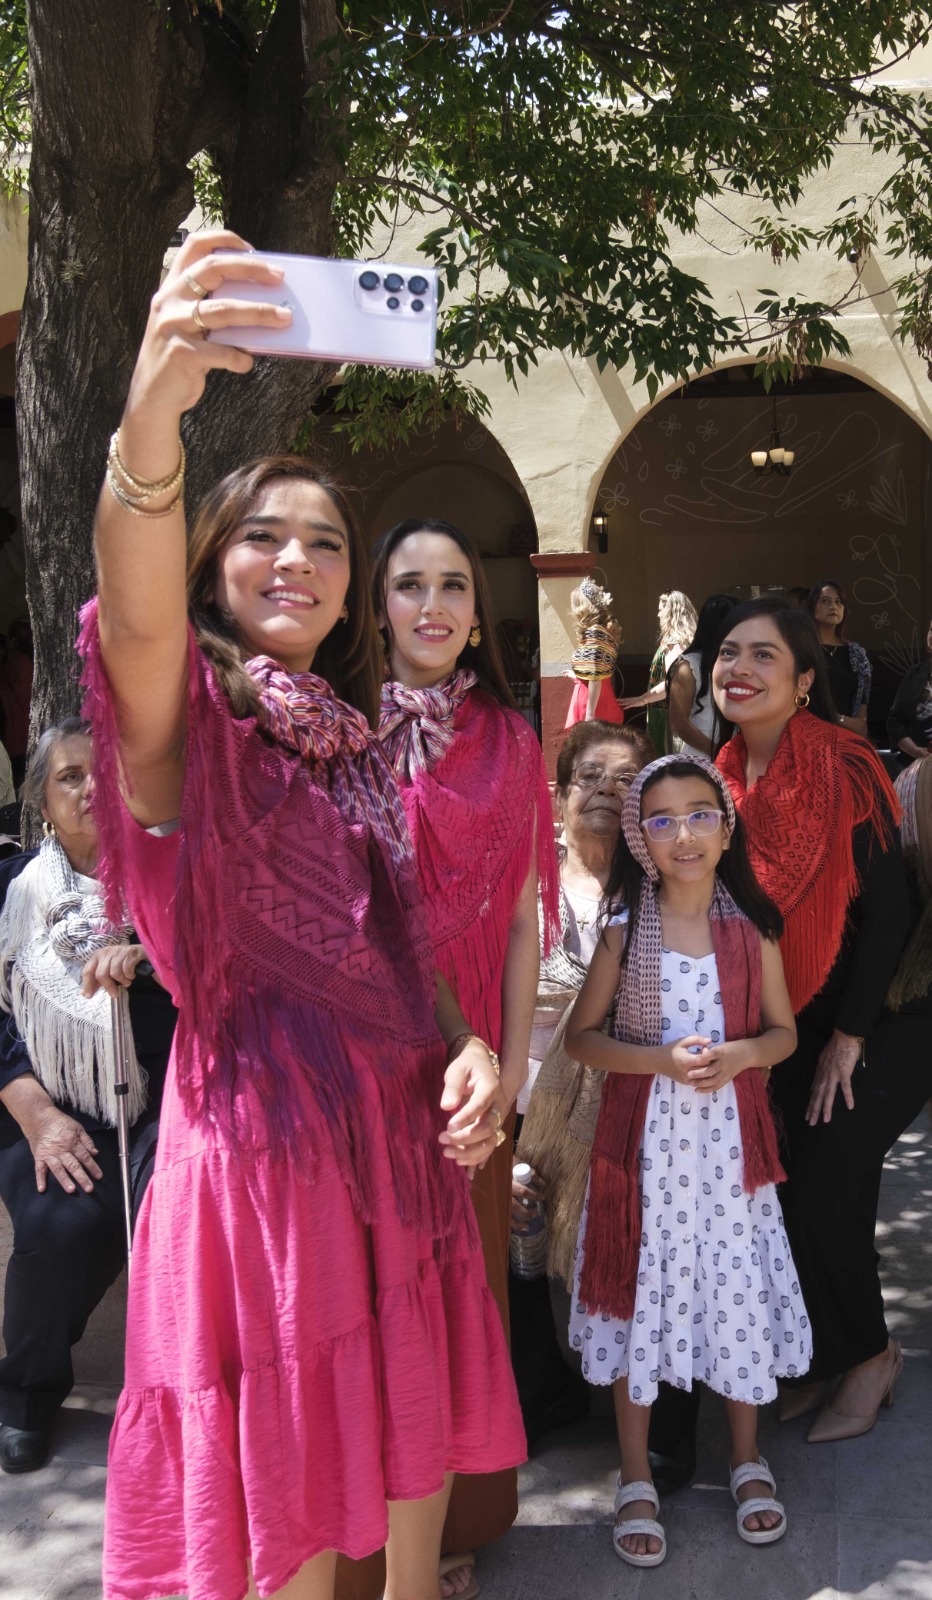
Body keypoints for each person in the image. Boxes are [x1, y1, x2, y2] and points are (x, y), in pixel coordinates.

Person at [80, 230, 525, 1600]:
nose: (297, 560)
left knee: (407, 1463)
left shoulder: (354, 742)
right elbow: (136, 618)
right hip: (265, 1183)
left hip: (400, 1147)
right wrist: (153, 421)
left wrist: (470, 1046)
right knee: (278, 1519)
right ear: (213, 562)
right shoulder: (183, 726)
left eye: (325, 542)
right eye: (262, 535)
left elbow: (402, 956)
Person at [368, 516, 559, 1600]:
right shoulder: (335, 730)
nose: (432, 605)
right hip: (362, 1053)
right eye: (409, 584)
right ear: (376, 603)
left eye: (452, 586)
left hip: (476, 1067)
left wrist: (518, 1062)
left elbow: (529, 912)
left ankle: (453, 1521)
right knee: (374, 1294)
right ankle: (358, 1539)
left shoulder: (513, 738)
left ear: (476, 612)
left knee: (461, 1294)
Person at [565, 754, 804, 1566]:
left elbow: (783, 1034)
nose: (684, 834)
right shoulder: (626, 935)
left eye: (700, 813)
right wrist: (661, 1061)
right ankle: (635, 1473)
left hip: (728, 1157)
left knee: (733, 1287)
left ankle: (746, 1458)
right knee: (640, 1295)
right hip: (644, 1156)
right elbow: (582, 1039)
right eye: (661, 820)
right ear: (640, 838)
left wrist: (739, 1055)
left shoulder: (754, 928)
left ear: (726, 824)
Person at [713, 599, 929, 1442]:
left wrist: (850, 1036)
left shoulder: (845, 768)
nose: (740, 669)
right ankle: (821, 1355)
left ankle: (872, 1356)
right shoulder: (719, 781)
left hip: (890, 1007)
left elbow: (887, 916)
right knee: (790, 1182)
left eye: (764, 657)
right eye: (730, 653)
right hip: (786, 1023)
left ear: (804, 682)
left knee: (832, 1167)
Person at [0, 719, 175, 1474]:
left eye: (101, 770)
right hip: (44, 1104)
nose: (90, 787)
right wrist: (37, 1115)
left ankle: (184, 1405)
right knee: (59, 1226)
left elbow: (213, 973)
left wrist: (152, 959)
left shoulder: (166, 874)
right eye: (69, 776)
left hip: (162, 1099)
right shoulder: (12, 889)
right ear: (42, 799)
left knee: (178, 1211)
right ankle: (28, 1394)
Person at [511, 720, 655, 1447]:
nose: (604, 791)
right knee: (519, 1257)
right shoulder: (522, 886)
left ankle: (647, 1415)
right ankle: (540, 1395)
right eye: (588, 778)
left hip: (628, 1113)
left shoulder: (662, 887)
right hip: (524, 1114)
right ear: (559, 793)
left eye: (624, 779)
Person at [620, 591, 697, 754]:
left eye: (661, 609)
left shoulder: (674, 643)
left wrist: (642, 700)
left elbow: (673, 683)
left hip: (668, 716)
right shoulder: (691, 641)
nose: (658, 614)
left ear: (671, 612)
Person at [667, 594, 737, 757]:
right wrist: (716, 751)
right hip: (702, 754)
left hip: (737, 751)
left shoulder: (739, 663)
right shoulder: (689, 665)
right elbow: (678, 723)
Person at [805, 580, 871, 734]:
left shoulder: (856, 653)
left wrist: (858, 726)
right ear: (812, 607)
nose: (833, 606)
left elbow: (862, 700)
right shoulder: (802, 649)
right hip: (809, 733)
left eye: (838, 601)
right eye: (825, 601)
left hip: (847, 736)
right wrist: (840, 720)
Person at [564, 576, 623, 726]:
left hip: (592, 705)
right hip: (598, 698)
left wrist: (589, 715)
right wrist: (577, 677)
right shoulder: (601, 631)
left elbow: (595, 676)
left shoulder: (595, 632)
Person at [886, 616, 932, 765]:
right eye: (931, 630)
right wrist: (914, 750)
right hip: (915, 764)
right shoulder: (915, 673)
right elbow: (895, 722)